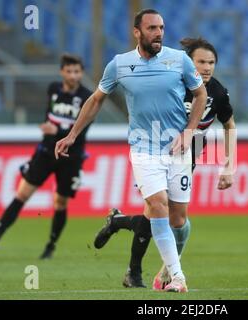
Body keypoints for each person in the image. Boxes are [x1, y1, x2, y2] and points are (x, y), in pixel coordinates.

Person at [54, 9, 207, 293]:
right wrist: (72, 134)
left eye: (161, 27)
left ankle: (119, 221)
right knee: (158, 204)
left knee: (177, 218)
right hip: (143, 148)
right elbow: (96, 99)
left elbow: (201, 95)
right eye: (151, 28)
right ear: (137, 32)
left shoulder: (179, 60)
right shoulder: (119, 65)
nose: (158, 33)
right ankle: (178, 277)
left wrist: (189, 131)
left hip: (177, 148)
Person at [93, 37, 237, 289]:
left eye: (211, 62)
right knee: (155, 210)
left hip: (186, 157)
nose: (206, 68)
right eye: (200, 62)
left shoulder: (217, 92)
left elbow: (229, 126)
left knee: (174, 219)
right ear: (186, 63)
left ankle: (118, 222)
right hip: (153, 151)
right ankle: (138, 273)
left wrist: (229, 166)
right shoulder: (172, 83)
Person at [0, 54, 92, 259]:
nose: (74, 76)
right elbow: (49, 116)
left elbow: (81, 129)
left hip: (70, 158)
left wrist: (55, 130)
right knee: (22, 194)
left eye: (77, 71)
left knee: (60, 203)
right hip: (46, 153)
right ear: (62, 72)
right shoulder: (53, 90)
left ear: (81, 73)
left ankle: (50, 246)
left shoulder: (87, 97)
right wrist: (51, 130)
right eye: (70, 71)